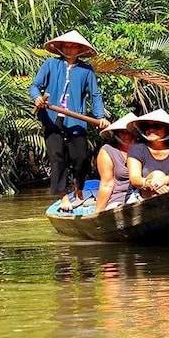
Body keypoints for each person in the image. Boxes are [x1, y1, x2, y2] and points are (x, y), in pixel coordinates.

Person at [30, 30, 109, 212]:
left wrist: (100, 117)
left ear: (80, 49)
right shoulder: (51, 64)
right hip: (52, 119)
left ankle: (79, 190)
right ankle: (64, 196)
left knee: (81, 156)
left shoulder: (86, 70)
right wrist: (37, 98)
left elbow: (95, 94)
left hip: (76, 119)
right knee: (57, 157)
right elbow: (35, 86)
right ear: (61, 47)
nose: (70, 48)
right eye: (67, 45)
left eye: (74, 46)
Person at [126, 109, 169, 198]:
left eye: (156, 126)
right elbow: (135, 179)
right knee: (157, 175)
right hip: (140, 196)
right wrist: (152, 184)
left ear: (167, 129)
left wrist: (164, 180)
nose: (151, 130)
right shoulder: (137, 149)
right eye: (147, 126)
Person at [94, 112, 138, 213]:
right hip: (119, 198)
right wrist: (98, 213)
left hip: (142, 194)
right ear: (117, 133)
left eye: (130, 132)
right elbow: (107, 184)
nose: (127, 135)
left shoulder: (143, 148)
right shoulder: (108, 151)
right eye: (123, 132)